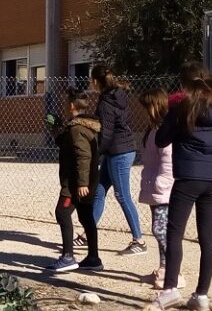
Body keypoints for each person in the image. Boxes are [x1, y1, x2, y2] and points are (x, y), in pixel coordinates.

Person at [152, 63, 212, 311]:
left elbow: (161, 139)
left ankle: (169, 291)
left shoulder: (183, 106)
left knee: (174, 232)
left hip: (187, 176)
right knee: (207, 237)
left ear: (184, 85)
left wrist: (171, 117)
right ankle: (202, 295)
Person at [82, 64, 147, 257]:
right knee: (99, 192)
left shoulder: (106, 103)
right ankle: (87, 234)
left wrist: (95, 153)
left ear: (95, 81)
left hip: (119, 151)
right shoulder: (116, 96)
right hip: (116, 150)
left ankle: (139, 240)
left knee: (122, 195)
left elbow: (107, 134)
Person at [47, 89, 104, 272]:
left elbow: (83, 156)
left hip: (74, 184)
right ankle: (93, 258)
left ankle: (68, 257)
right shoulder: (87, 126)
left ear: (71, 106)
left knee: (62, 213)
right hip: (87, 181)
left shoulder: (77, 129)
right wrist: (56, 129)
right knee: (86, 216)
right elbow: (67, 146)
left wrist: (82, 183)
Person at [136, 88, 185, 290]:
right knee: (159, 230)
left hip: (163, 189)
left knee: (161, 230)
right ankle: (164, 269)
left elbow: (168, 163)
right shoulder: (153, 129)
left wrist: (161, 185)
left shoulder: (166, 130)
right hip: (154, 187)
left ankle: (175, 274)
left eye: (147, 107)